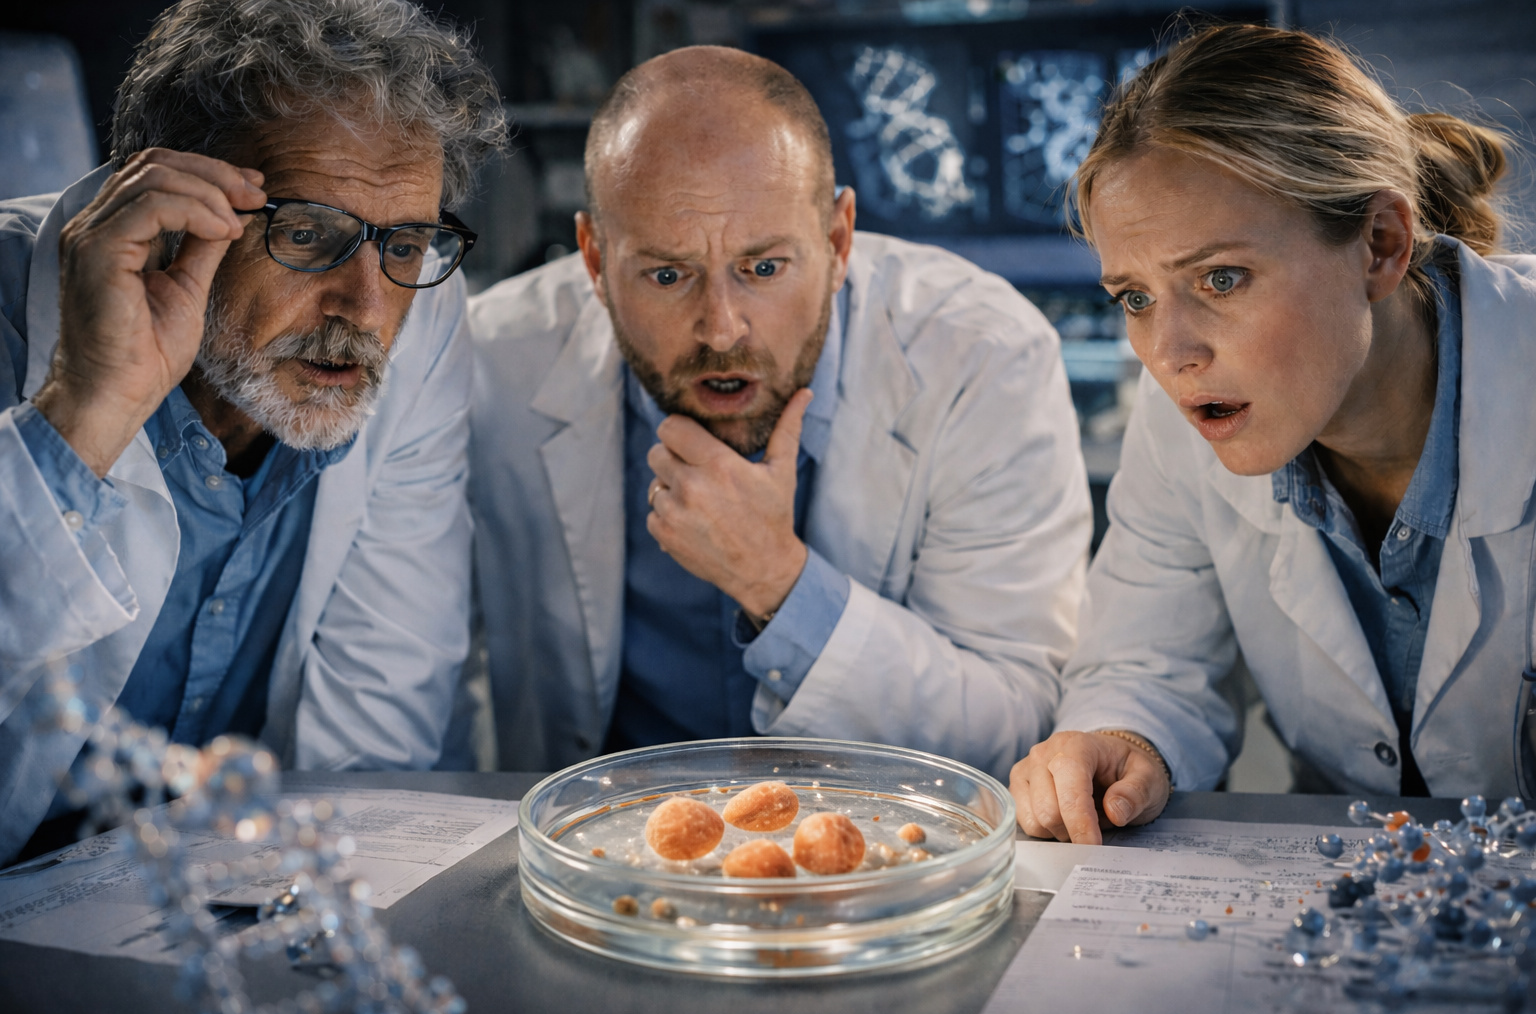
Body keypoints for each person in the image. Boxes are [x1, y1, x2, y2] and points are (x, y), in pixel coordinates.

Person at [468, 47, 1092, 779]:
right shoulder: (490, 362)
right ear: (596, 262)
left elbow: (1016, 729)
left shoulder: (983, 356)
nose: (722, 328)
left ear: (837, 242)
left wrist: (777, 583)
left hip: (882, 862)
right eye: (668, 275)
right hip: (608, 859)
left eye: (763, 268)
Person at [0, 0, 507, 863]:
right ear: (166, 213)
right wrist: (83, 406)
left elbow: (380, 726)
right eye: (309, 233)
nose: (365, 305)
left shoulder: (416, 305)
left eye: (407, 242)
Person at [1010, 23, 1536, 844]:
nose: (1171, 354)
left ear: (1381, 245)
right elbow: (1151, 661)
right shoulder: (1185, 417)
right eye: (1136, 298)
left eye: (1220, 278)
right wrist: (1121, 740)